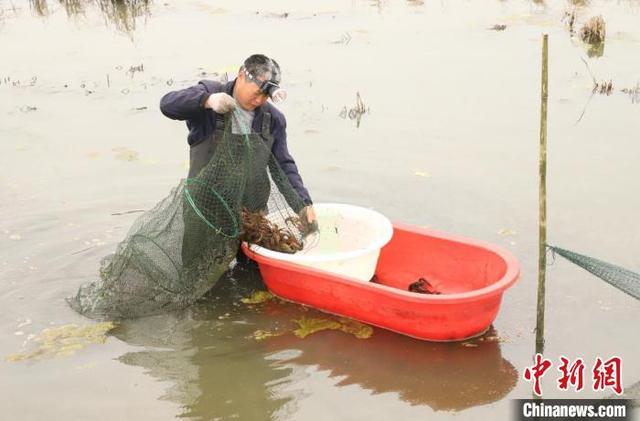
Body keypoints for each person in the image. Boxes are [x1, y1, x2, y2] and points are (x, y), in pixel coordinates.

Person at [159, 54, 317, 258]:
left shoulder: (273, 120)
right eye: (257, 92)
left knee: (253, 275)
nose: (260, 100)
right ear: (242, 75)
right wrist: (206, 101)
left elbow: (284, 167)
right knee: (200, 269)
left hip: (251, 216)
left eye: (266, 96)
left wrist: (303, 204)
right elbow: (167, 104)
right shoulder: (210, 94)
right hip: (205, 210)